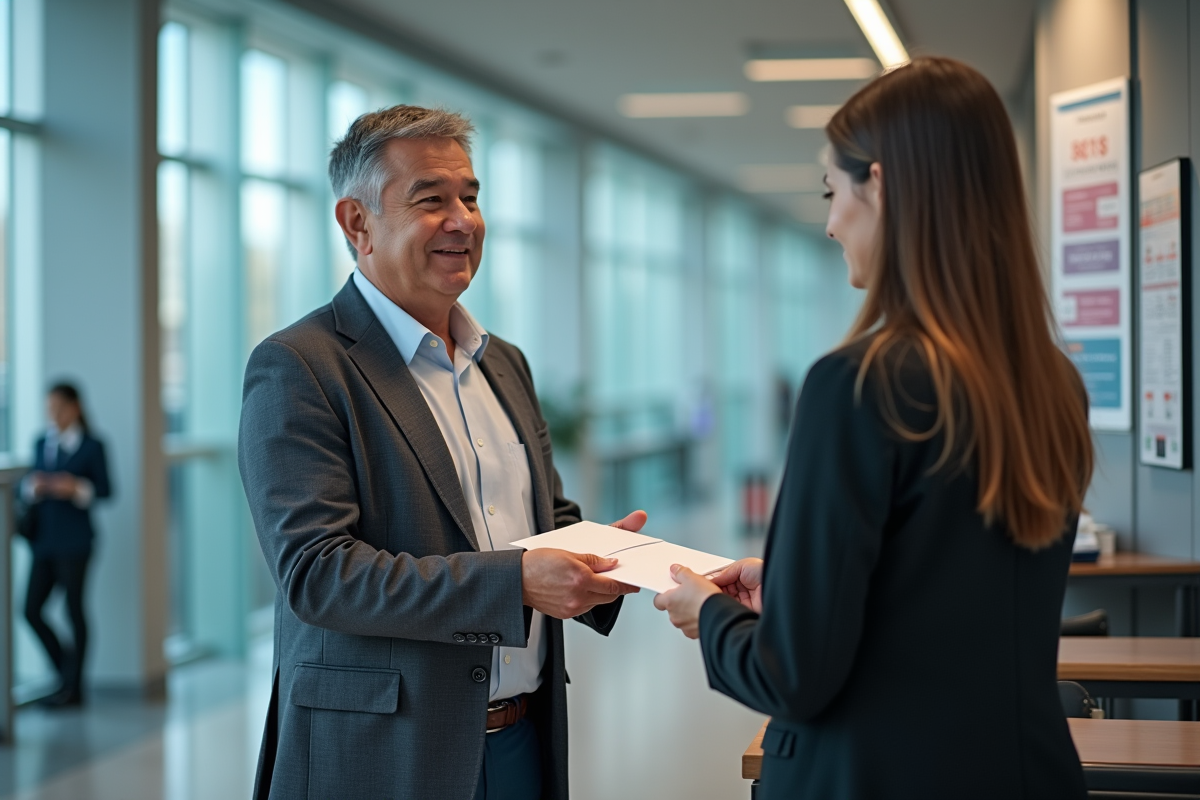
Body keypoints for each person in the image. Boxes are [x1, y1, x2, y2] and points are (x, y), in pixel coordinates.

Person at [654, 57, 1094, 799]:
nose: (829, 224)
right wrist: (794, 589)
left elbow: (791, 678)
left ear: (881, 185)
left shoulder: (860, 384)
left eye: (833, 191)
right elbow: (951, 591)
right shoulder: (1052, 381)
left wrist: (713, 612)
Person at [239, 104, 645, 800]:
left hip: (522, 738)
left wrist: (648, 565)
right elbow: (317, 573)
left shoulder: (503, 363)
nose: (463, 220)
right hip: (386, 752)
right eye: (431, 200)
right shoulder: (300, 366)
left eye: (471, 196)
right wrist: (514, 583)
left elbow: (544, 517)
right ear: (356, 224)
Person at [21, 382, 112, 707]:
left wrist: (74, 488)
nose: (54, 415)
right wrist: (37, 486)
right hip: (44, 541)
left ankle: (75, 688)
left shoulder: (92, 445)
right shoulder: (41, 443)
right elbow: (28, 488)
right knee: (30, 609)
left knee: (74, 610)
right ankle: (65, 672)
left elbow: (104, 491)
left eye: (59, 408)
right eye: (50, 409)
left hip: (75, 542)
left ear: (75, 408)